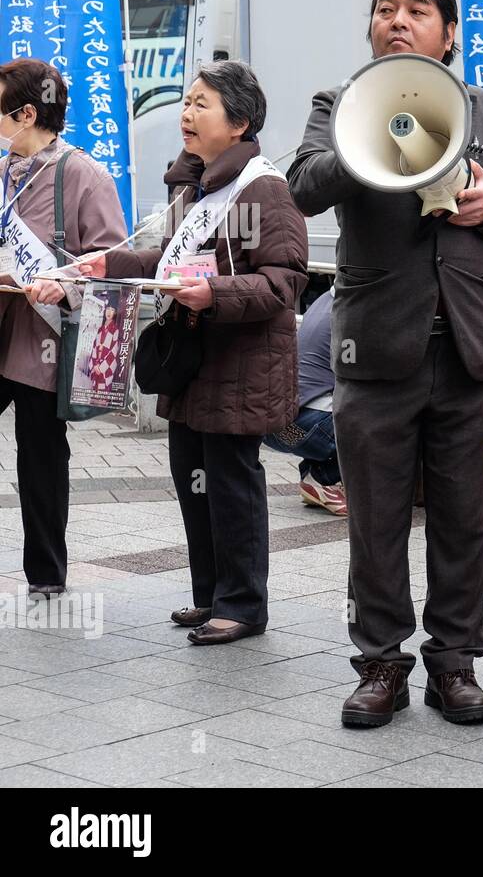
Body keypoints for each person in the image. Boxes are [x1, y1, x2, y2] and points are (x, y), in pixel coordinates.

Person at [288, 0, 483, 727]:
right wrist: (365, 141)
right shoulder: (340, 104)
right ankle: (379, 663)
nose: (397, 20)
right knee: (374, 516)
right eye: (384, 9)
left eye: (417, 10)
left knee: (465, 516)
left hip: (466, 346)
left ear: (447, 33)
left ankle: (454, 664)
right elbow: (303, 187)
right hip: (374, 347)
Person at [88, 60, 308, 644]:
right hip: (193, 361)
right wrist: (109, 263)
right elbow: (167, 264)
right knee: (194, 480)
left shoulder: (264, 189)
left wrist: (215, 293)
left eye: (201, 104)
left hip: (240, 364)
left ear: (239, 123)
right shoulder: (198, 187)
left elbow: (283, 283)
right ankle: (210, 594)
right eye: (186, 102)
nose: (185, 114)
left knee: (232, 484)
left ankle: (243, 604)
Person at [0, 58, 128, 596]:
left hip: (41, 340)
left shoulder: (82, 174)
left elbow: (113, 262)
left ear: (26, 113)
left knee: (41, 454)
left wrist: (64, 283)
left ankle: (46, 574)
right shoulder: (3, 169)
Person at [263, 287, 346, 515]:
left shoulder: (324, 299)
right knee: (379, 413)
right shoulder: (350, 310)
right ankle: (325, 478)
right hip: (307, 426)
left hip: (279, 427)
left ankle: (314, 476)